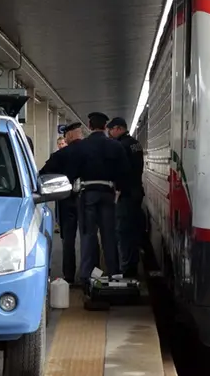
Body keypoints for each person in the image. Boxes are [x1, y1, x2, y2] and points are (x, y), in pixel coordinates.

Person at [66, 112, 131, 290]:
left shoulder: (82, 146)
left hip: (87, 194)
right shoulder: (115, 146)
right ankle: (115, 275)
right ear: (105, 127)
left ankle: (88, 277)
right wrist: (118, 190)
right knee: (110, 236)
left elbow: (72, 171)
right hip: (108, 193)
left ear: (89, 125)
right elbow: (125, 171)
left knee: (88, 235)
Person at [39, 122, 96, 284]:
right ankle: (90, 275)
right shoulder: (91, 151)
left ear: (70, 135)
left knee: (68, 240)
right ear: (80, 134)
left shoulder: (62, 154)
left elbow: (43, 174)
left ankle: (69, 276)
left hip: (66, 200)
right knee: (89, 236)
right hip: (88, 199)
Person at [107, 117, 145, 278]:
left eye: (110, 130)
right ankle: (132, 265)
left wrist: (118, 189)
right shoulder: (136, 143)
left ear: (117, 129)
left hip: (126, 194)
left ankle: (127, 269)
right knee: (133, 231)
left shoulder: (121, 146)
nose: (109, 134)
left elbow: (122, 171)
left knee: (123, 232)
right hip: (137, 192)